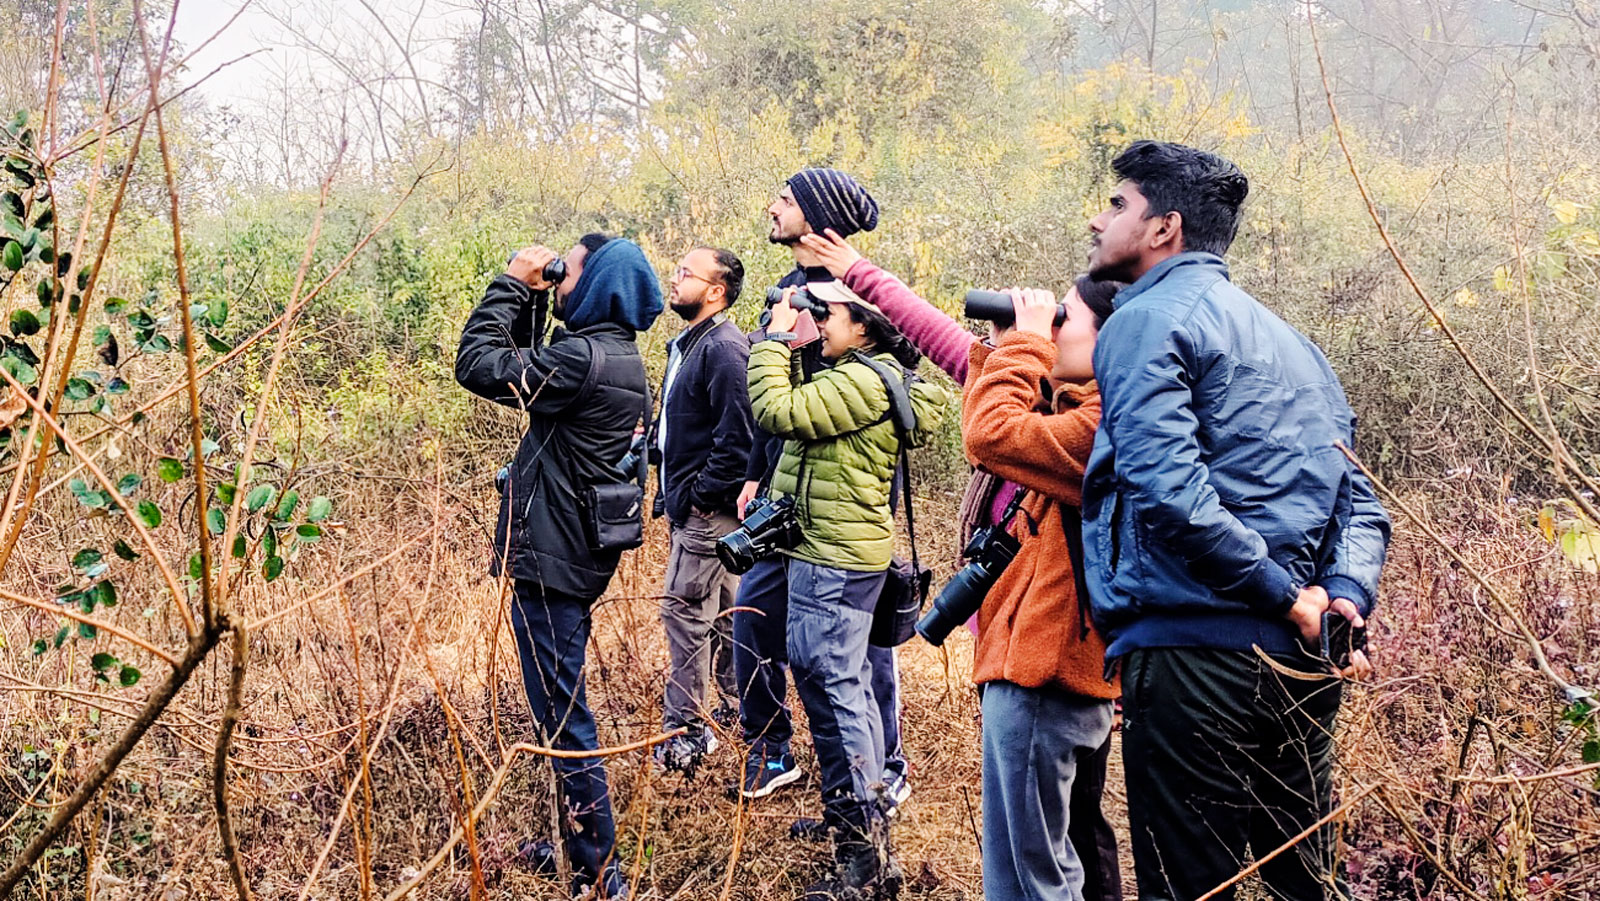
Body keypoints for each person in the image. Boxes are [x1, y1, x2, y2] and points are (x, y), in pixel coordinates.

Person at [1080, 140, 1390, 901]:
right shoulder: (1297, 345)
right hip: (1304, 657)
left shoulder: (1145, 318)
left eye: (1117, 204)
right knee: (1300, 881)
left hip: (1195, 653)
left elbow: (1164, 483)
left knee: (1190, 885)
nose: (1097, 219)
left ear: (1164, 228)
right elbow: (1362, 500)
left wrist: (1285, 593)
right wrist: (1342, 595)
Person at [799, 230, 1124, 901]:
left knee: (1056, 846)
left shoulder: (1096, 425)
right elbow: (939, 334)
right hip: (1019, 642)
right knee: (1053, 831)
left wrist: (1028, 342)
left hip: (1052, 661)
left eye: (1066, 318)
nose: (1050, 326)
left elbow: (990, 432)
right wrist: (857, 271)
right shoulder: (1048, 398)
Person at [454, 233, 662, 900]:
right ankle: (577, 845)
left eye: (566, 271)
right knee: (556, 708)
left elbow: (479, 364)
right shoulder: (614, 356)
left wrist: (514, 283)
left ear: (596, 284)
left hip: (557, 561)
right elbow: (522, 365)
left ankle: (601, 874)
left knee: (565, 714)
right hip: (577, 550)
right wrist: (538, 302)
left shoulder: (581, 362)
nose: (556, 277)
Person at [750, 279, 951, 901]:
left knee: (834, 696)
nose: (816, 320)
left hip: (831, 561)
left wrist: (776, 338)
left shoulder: (862, 381)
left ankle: (865, 861)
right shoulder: (863, 372)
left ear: (864, 325)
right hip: (836, 554)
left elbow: (776, 412)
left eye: (826, 313)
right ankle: (855, 823)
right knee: (846, 688)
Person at [732, 168, 912, 812]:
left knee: (858, 647)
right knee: (756, 616)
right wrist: (755, 472)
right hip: (783, 483)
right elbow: (767, 403)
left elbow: (889, 393)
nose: (772, 207)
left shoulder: (863, 294)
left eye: (785, 199)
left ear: (817, 214)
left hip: (845, 496)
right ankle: (774, 748)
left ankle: (882, 769)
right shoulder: (785, 290)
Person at [652, 246, 754, 773]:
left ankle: (686, 733)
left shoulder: (725, 349)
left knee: (685, 613)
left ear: (715, 291)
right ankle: (746, 713)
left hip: (707, 514)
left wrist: (698, 497)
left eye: (686, 273)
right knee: (728, 618)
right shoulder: (691, 344)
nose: (675, 278)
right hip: (695, 508)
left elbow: (737, 440)